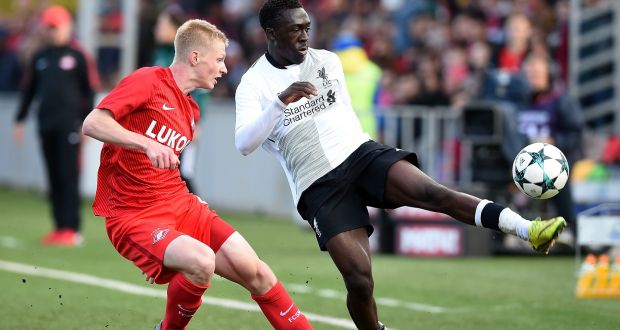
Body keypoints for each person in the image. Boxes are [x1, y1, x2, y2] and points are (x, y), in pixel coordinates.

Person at [234, 1, 566, 329]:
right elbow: (244, 144)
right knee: (359, 279)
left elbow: (342, 115)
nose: (305, 36)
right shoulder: (255, 83)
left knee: (435, 193)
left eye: (307, 28)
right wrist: (279, 102)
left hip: (360, 155)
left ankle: (528, 229)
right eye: (295, 30)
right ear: (271, 33)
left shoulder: (328, 62)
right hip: (317, 183)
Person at [82, 19, 311, 330]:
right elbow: (93, 123)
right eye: (218, 60)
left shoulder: (192, 111)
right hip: (134, 216)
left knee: (256, 272)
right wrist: (145, 142)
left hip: (181, 205)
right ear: (195, 57)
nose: (224, 69)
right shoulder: (148, 80)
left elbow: (165, 164)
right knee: (202, 261)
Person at [13, 5, 100, 246]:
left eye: (56, 27)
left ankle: (72, 229)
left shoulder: (79, 55)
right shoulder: (40, 57)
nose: (53, 32)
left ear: (67, 26)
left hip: (70, 127)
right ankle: (59, 226)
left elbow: (90, 90)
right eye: (49, 27)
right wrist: (19, 119)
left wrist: (87, 123)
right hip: (46, 126)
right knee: (52, 177)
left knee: (68, 176)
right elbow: (29, 91)